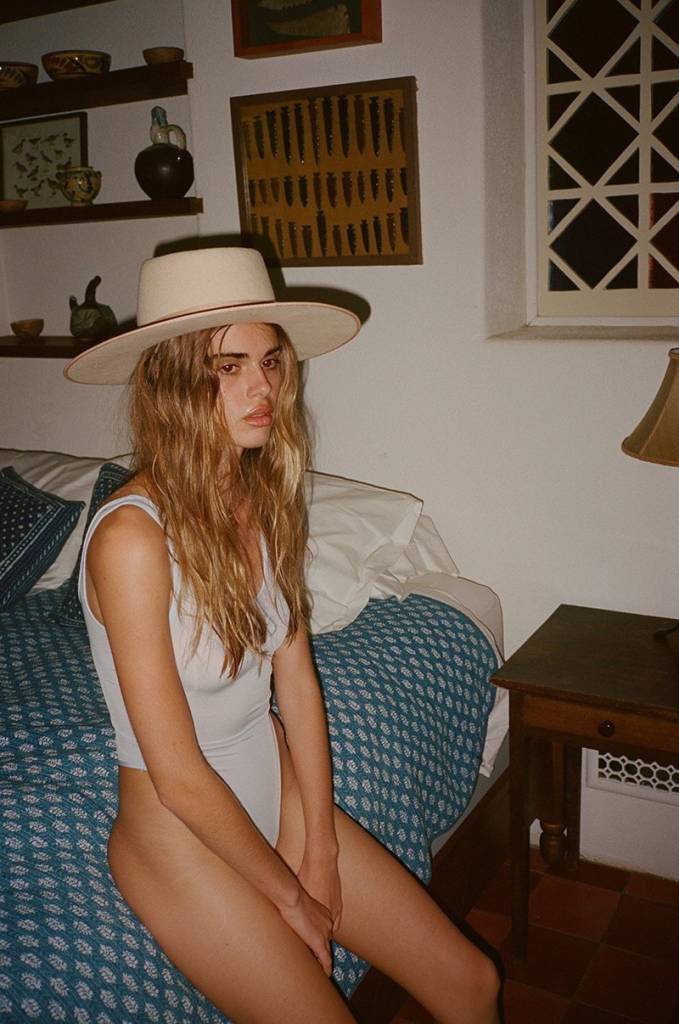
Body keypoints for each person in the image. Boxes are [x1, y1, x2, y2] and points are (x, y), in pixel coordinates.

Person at [65, 247, 500, 1024]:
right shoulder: (131, 537)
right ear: (171, 383)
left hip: (274, 785)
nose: (262, 387)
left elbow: (296, 680)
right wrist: (290, 896)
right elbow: (177, 774)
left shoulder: (260, 500)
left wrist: (320, 849)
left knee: (472, 983)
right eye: (228, 367)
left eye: (269, 361)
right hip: (179, 836)